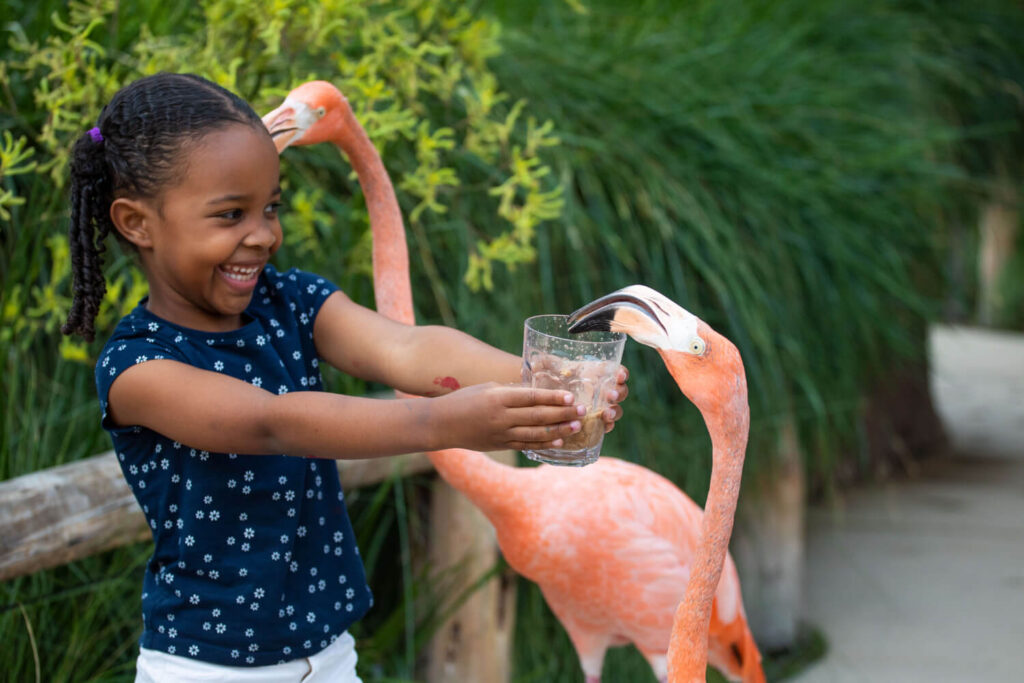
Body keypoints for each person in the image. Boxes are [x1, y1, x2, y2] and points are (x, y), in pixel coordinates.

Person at [61, 73, 628, 682]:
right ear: (136, 223)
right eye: (231, 214)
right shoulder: (138, 368)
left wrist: (541, 378)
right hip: (206, 669)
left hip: (331, 658)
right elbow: (274, 423)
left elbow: (405, 347)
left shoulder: (291, 301)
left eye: (270, 207)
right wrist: (446, 422)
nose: (263, 235)